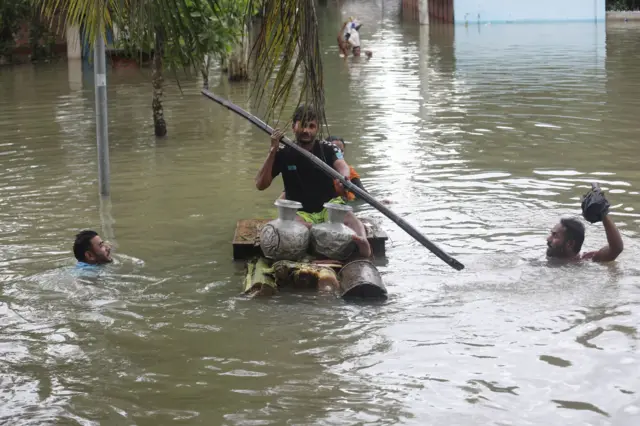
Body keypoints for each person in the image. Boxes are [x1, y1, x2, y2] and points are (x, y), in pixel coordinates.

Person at [255, 105, 372, 258]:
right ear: (293, 126)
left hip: (329, 207)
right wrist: (272, 152)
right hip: (300, 212)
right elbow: (260, 184)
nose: (306, 131)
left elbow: (342, 166)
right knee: (294, 226)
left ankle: (364, 244)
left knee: (350, 217)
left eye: (311, 126)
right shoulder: (283, 153)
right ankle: (320, 230)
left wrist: (344, 178)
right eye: (303, 125)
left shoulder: (328, 148)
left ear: (317, 129)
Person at [546, 187, 623, 262]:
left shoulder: (586, 260)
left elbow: (616, 249)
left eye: (555, 235)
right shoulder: (541, 260)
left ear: (570, 244)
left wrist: (603, 214)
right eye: (551, 234)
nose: (548, 239)